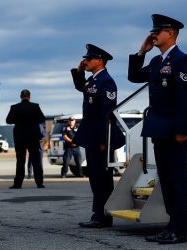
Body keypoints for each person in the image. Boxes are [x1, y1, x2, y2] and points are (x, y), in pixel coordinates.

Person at [128, 14, 187, 244]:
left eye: (159, 31)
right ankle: (171, 225)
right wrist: (141, 52)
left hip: (175, 131)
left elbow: (186, 98)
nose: (153, 34)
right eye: (153, 31)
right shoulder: (157, 62)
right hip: (159, 129)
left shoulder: (180, 60)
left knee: (176, 181)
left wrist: (182, 129)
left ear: (172, 33)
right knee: (165, 181)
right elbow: (134, 76)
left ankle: (180, 230)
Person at [71, 44, 124, 228]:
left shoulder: (106, 82)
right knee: (95, 177)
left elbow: (107, 114)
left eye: (89, 58)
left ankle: (103, 216)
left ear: (99, 60)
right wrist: (79, 72)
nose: (85, 60)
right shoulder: (92, 80)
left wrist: (104, 140)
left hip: (101, 138)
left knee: (102, 178)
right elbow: (82, 87)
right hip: (92, 136)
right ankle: (98, 214)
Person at [6, 89, 46, 189]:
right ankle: (39, 183)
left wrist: (18, 120)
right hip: (33, 137)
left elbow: (8, 120)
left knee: (20, 161)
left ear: (21, 96)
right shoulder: (35, 107)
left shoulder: (15, 107)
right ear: (29, 96)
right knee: (36, 161)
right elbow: (42, 119)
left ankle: (18, 184)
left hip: (20, 138)